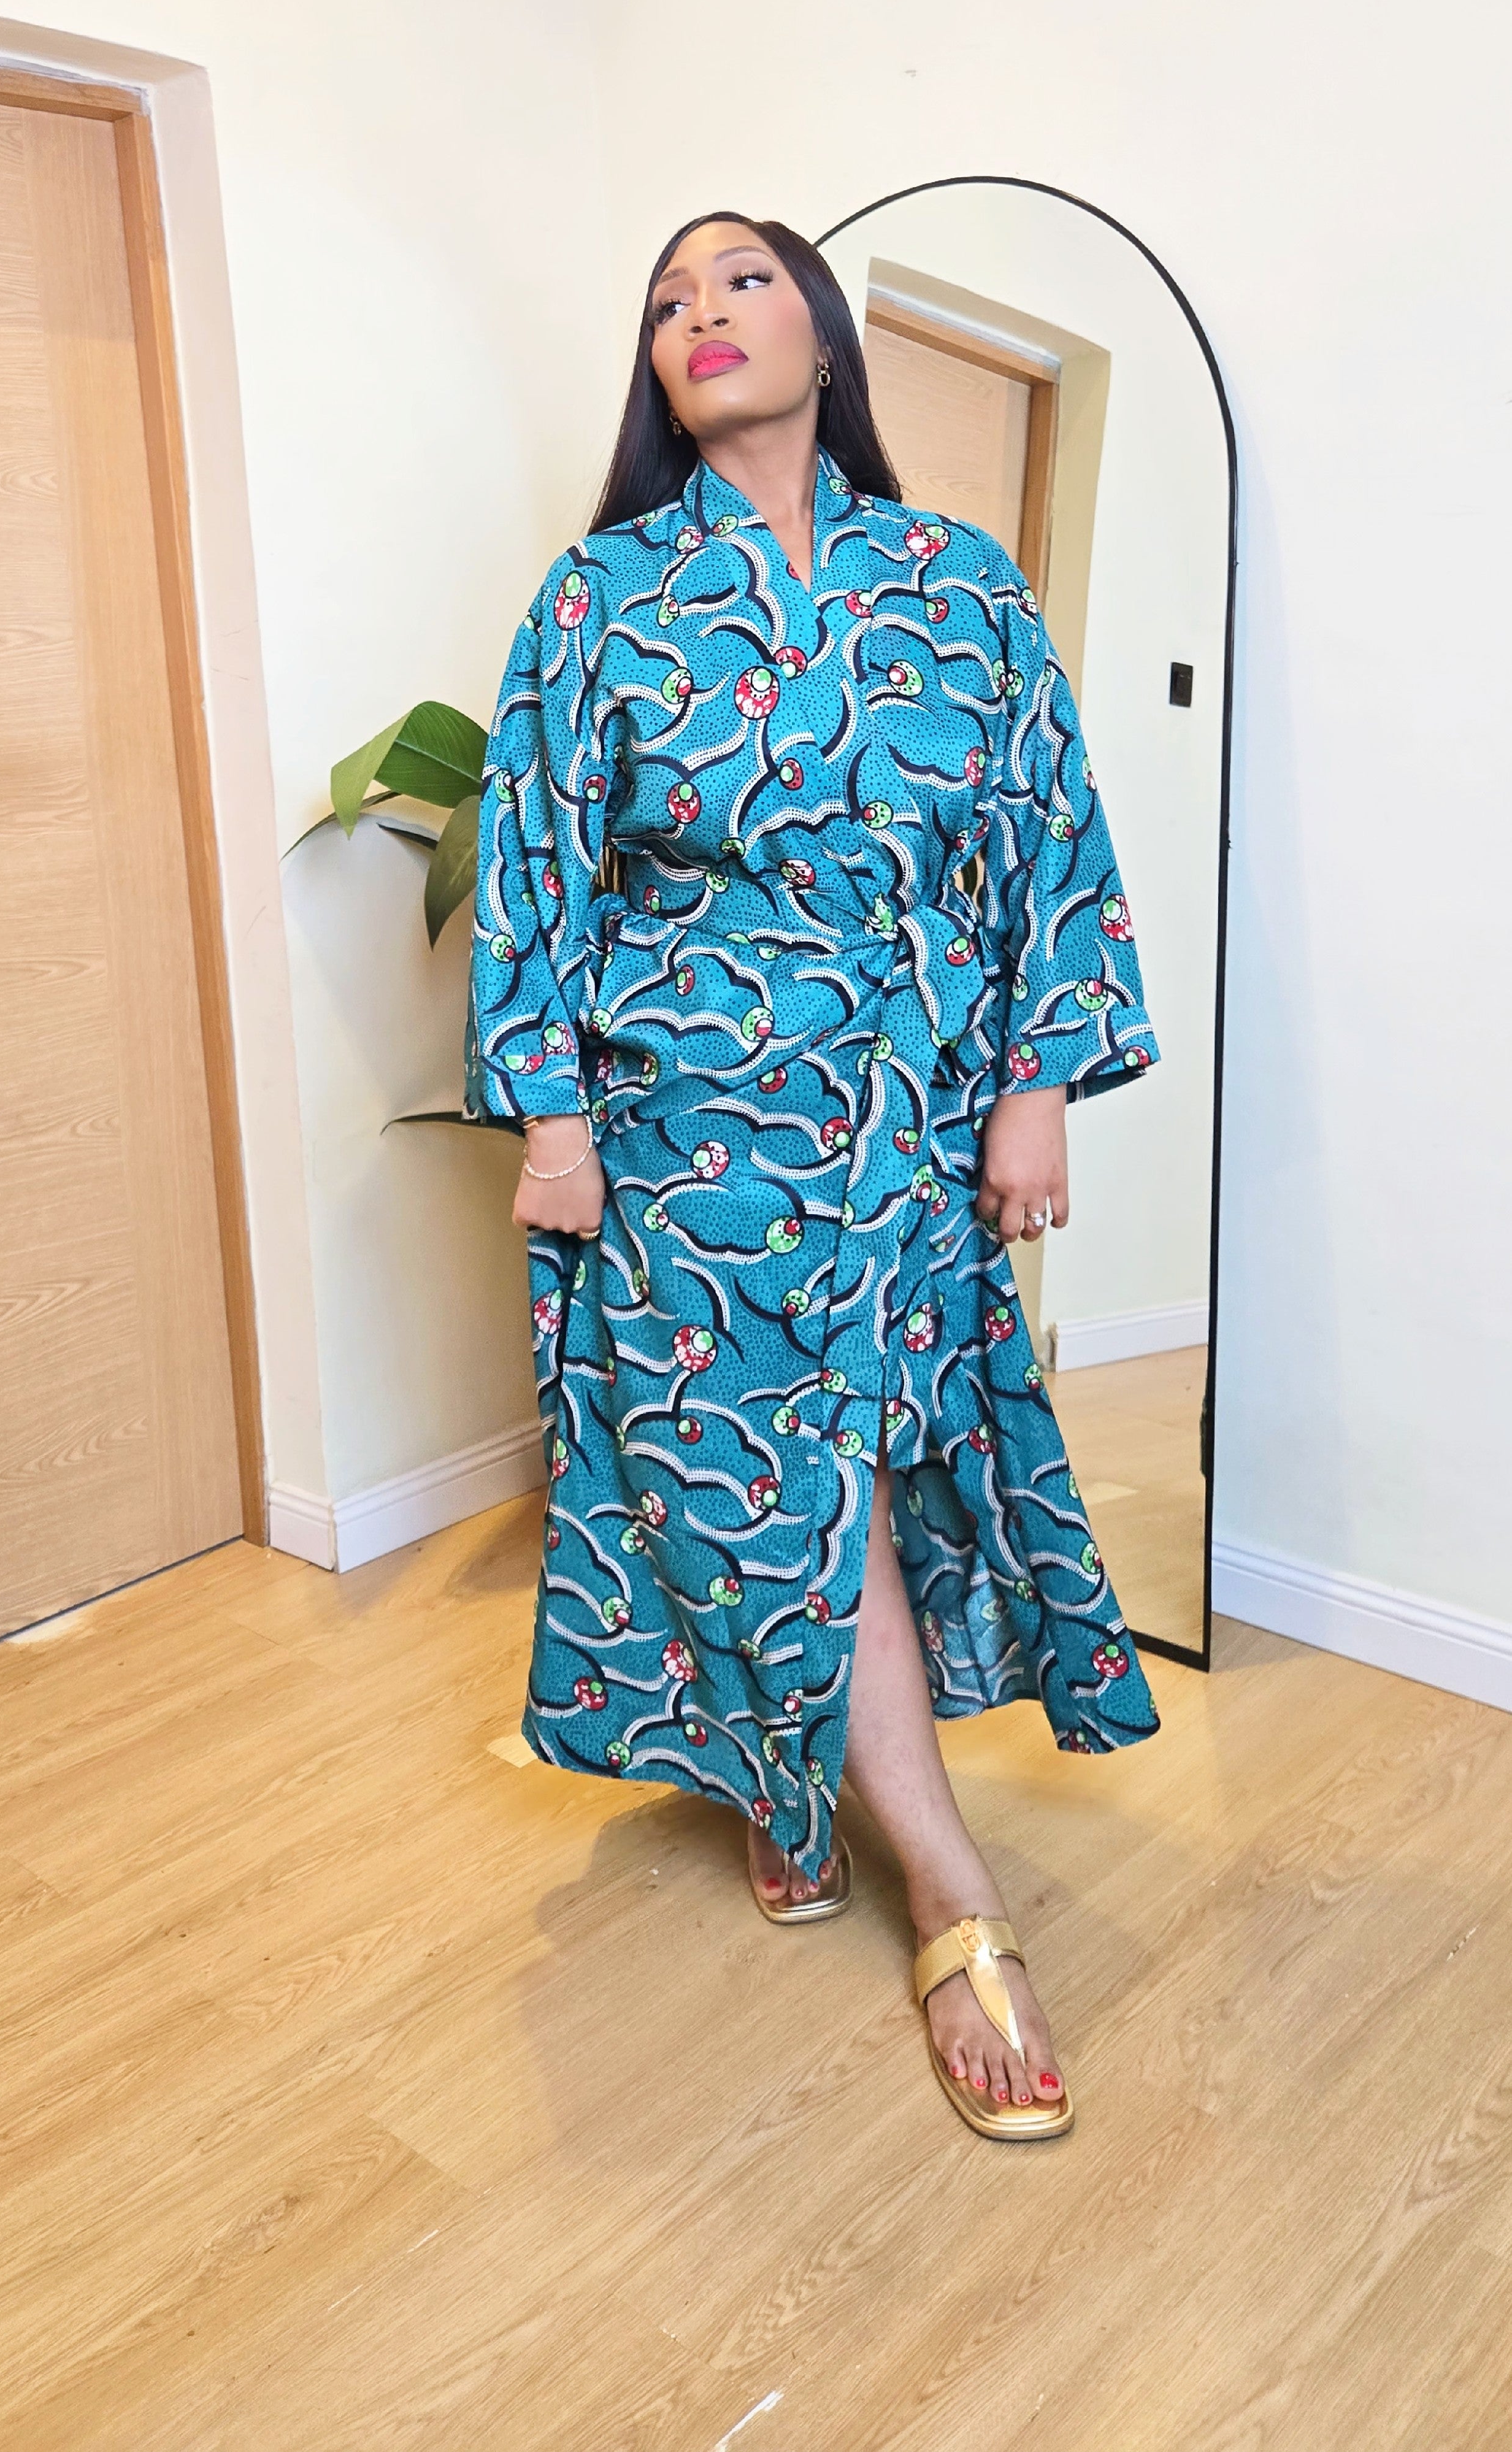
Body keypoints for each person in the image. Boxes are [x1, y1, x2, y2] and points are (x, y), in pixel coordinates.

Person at [467, 210, 1161, 2140]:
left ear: (824, 335)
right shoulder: (599, 597)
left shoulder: (957, 587)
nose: (701, 314)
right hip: (687, 1128)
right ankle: (946, 1881)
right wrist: (554, 1123)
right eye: (669, 300)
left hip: (914, 1121)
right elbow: (534, 866)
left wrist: (1035, 1085)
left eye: (742, 283)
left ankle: (791, 1790)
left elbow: (1041, 839)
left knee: (874, 1451)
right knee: (753, 1460)